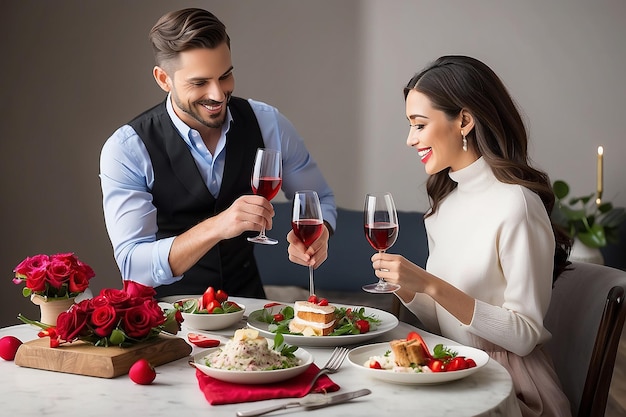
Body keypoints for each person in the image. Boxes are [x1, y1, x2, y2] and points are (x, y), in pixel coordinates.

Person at [372, 56, 572, 417]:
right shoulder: (445, 205)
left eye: (419, 125)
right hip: (458, 369)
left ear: (463, 121)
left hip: (512, 389)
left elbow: (524, 335)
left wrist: (431, 284)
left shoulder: (517, 205)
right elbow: (447, 325)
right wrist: (409, 287)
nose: (409, 139)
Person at [100, 8, 336, 300]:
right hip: (168, 322)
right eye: (199, 83)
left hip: (251, 314)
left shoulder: (268, 123)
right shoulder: (127, 148)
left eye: (225, 76)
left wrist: (321, 233)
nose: (217, 94)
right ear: (164, 79)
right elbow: (133, 266)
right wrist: (217, 226)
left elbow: (320, 199)